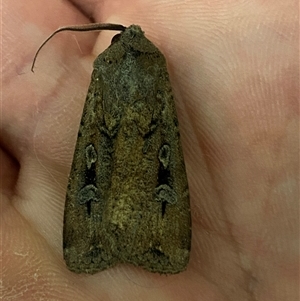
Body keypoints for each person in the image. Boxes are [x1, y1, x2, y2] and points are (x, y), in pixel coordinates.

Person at [1, 1, 298, 300]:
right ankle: (160, 244)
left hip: (98, 193)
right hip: (157, 179)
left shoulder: (104, 73)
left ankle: (92, 243)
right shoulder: (156, 71)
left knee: (91, 162)